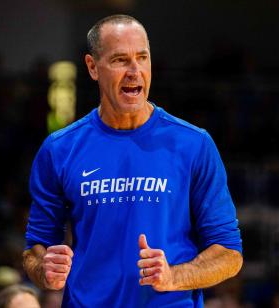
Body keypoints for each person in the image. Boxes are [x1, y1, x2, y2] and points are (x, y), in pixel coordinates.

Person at [23, 14, 243, 307]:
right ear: (92, 67)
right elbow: (35, 249)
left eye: (142, 57)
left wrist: (173, 277)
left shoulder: (193, 143)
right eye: (119, 60)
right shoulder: (60, 148)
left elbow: (229, 254)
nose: (134, 70)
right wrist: (45, 270)